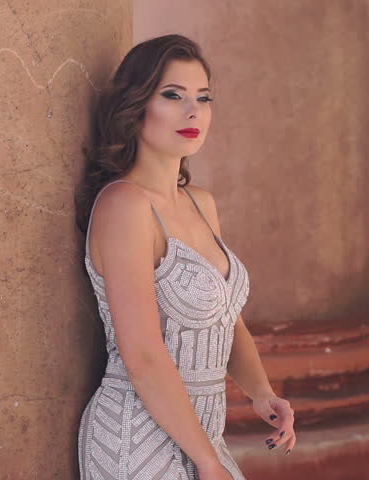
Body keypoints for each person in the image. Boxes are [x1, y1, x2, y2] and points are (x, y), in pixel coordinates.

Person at [75, 34, 296, 480]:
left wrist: (260, 392)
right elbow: (142, 355)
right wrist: (208, 461)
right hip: (135, 435)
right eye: (172, 95)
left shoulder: (200, 203)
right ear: (136, 107)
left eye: (203, 97)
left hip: (201, 435)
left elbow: (225, 318)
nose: (193, 111)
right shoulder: (124, 206)